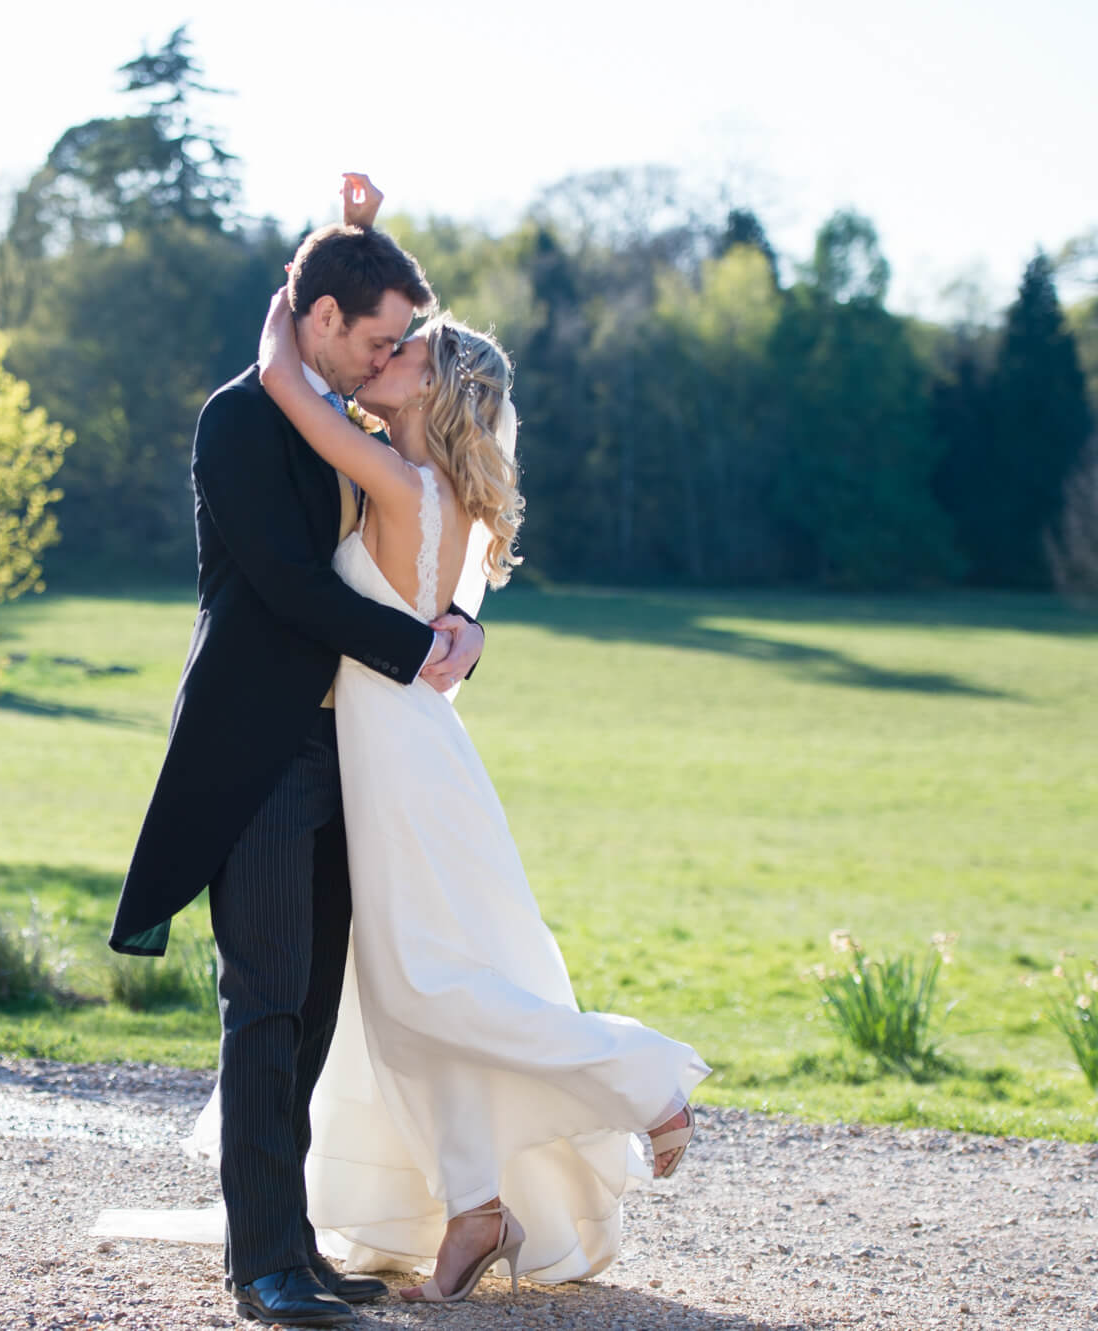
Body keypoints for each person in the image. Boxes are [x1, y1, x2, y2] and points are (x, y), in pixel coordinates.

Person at [233, 176, 712, 1306]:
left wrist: (299, 287)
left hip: (397, 758)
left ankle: (641, 1072)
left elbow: (279, 375)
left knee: (426, 989)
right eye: (384, 340)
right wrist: (348, 243)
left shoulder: (397, 480)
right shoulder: (438, 483)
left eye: (403, 352)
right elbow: (445, 602)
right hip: (403, 749)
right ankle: (472, 1205)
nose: (382, 356)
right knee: (407, 996)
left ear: (426, 387)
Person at [109, 190, 487, 1328]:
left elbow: (408, 558)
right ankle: (260, 1263)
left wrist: (465, 633)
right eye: (376, 337)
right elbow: (289, 586)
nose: (388, 357)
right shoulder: (236, 419)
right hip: (261, 751)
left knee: (317, 1006)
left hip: (356, 754)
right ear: (318, 317)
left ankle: (294, 1240)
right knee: (265, 1000)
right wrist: (422, 646)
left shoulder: (357, 429)